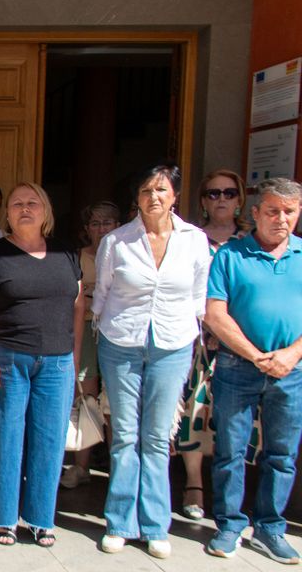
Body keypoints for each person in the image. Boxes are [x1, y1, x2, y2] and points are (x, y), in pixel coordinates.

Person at [93, 164, 209, 559]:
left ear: (175, 196)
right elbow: (102, 295)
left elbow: (199, 297)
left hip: (173, 345)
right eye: (146, 190)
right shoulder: (117, 242)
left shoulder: (195, 240)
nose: (154, 197)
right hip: (121, 342)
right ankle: (120, 521)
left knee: (158, 437)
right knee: (125, 435)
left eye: (161, 190)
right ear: (137, 198)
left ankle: (156, 524)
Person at [0, 182, 85, 548]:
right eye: (17, 204)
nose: (25, 209)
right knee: (6, 439)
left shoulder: (66, 253)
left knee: (50, 442)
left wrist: (75, 356)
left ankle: (40, 519)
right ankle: (3, 519)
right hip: (8, 360)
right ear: (7, 214)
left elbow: (78, 305)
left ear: (45, 211)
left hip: (57, 362)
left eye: (33, 203)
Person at [205, 177, 302, 564]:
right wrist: (255, 355)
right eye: (273, 211)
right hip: (237, 365)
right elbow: (215, 313)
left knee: (281, 454)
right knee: (230, 450)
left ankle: (270, 528)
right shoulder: (231, 255)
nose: (281, 219)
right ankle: (229, 525)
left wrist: (291, 355)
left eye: (290, 212)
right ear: (257, 213)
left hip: (291, 369)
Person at [176, 169, 250, 520]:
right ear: (203, 201)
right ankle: (194, 482)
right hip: (197, 341)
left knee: (235, 416)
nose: (221, 199)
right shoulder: (188, 238)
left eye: (229, 193)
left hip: (243, 340)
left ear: (240, 199)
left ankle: (232, 491)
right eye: (213, 193)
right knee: (196, 409)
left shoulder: (253, 239)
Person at [60, 201, 121, 489]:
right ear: (86, 229)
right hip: (85, 333)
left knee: (116, 401)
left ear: (117, 226)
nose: (101, 229)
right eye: (95, 224)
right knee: (86, 396)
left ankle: (116, 467)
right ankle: (80, 465)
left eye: (107, 223)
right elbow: (74, 299)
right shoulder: (77, 257)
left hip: (117, 333)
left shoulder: (126, 253)